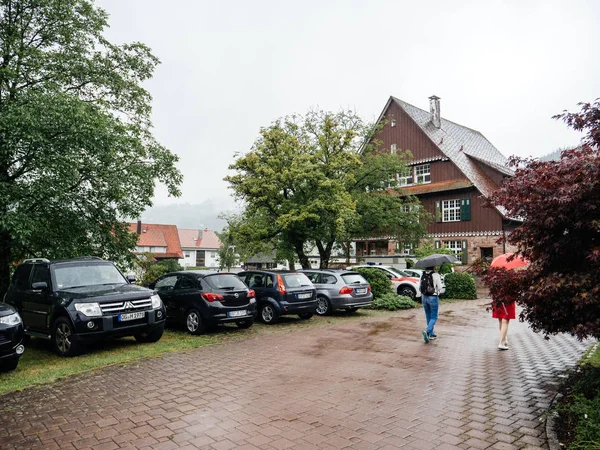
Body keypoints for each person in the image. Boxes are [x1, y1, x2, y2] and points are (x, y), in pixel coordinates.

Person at [421, 266, 444, 343]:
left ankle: (431, 334)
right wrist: (437, 291)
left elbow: (419, 287)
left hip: (424, 297)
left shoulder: (423, 274)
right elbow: (440, 287)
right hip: (433, 297)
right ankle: (427, 331)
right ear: (433, 266)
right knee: (434, 317)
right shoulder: (436, 275)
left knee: (428, 316)